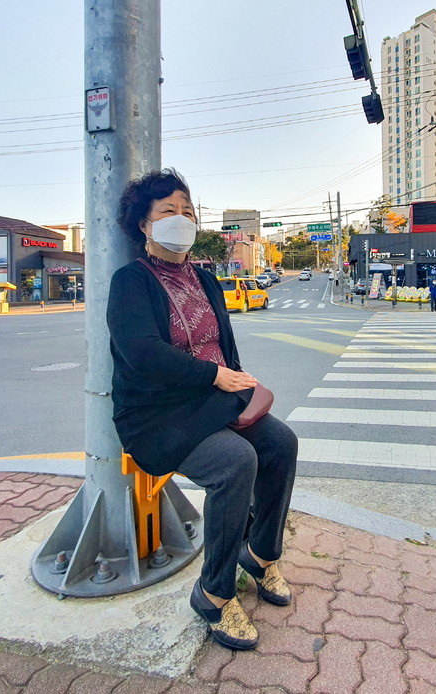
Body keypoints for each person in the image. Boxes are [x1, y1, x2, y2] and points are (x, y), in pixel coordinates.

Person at [106, 169, 298, 651]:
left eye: (187, 211)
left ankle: (259, 552)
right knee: (235, 462)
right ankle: (213, 591)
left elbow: (223, 346)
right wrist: (215, 377)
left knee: (280, 444)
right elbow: (141, 353)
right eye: (167, 211)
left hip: (216, 400)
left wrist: (235, 380)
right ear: (143, 226)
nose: (180, 219)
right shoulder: (131, 281)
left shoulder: (206, 278)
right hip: (159, 414)